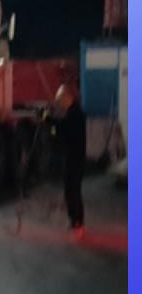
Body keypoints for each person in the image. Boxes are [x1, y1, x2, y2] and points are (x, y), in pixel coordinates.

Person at [53, 84, 87, 232]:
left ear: (68, 97)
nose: (59, 102)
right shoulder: (72, 113)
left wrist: (47, 119)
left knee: (73, 190)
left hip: (75, 160)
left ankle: (77, 220)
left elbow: (61, 129)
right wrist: (51, 125)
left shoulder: (75, 114)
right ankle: (74, 219)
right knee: (70, 190)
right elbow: (58, 131)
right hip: (72, 158)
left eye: (61, 99)